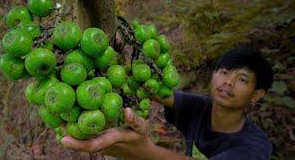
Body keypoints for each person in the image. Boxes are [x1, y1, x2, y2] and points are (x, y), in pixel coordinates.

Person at [60, 46, 274, 160]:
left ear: (256, 95)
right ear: (213, 75)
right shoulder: (201, 107)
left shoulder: (256, 146)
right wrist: (122, 53)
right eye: (225, 72)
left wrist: (145, 152)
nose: (228, 81)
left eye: (242, 79)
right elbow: (154, 91)